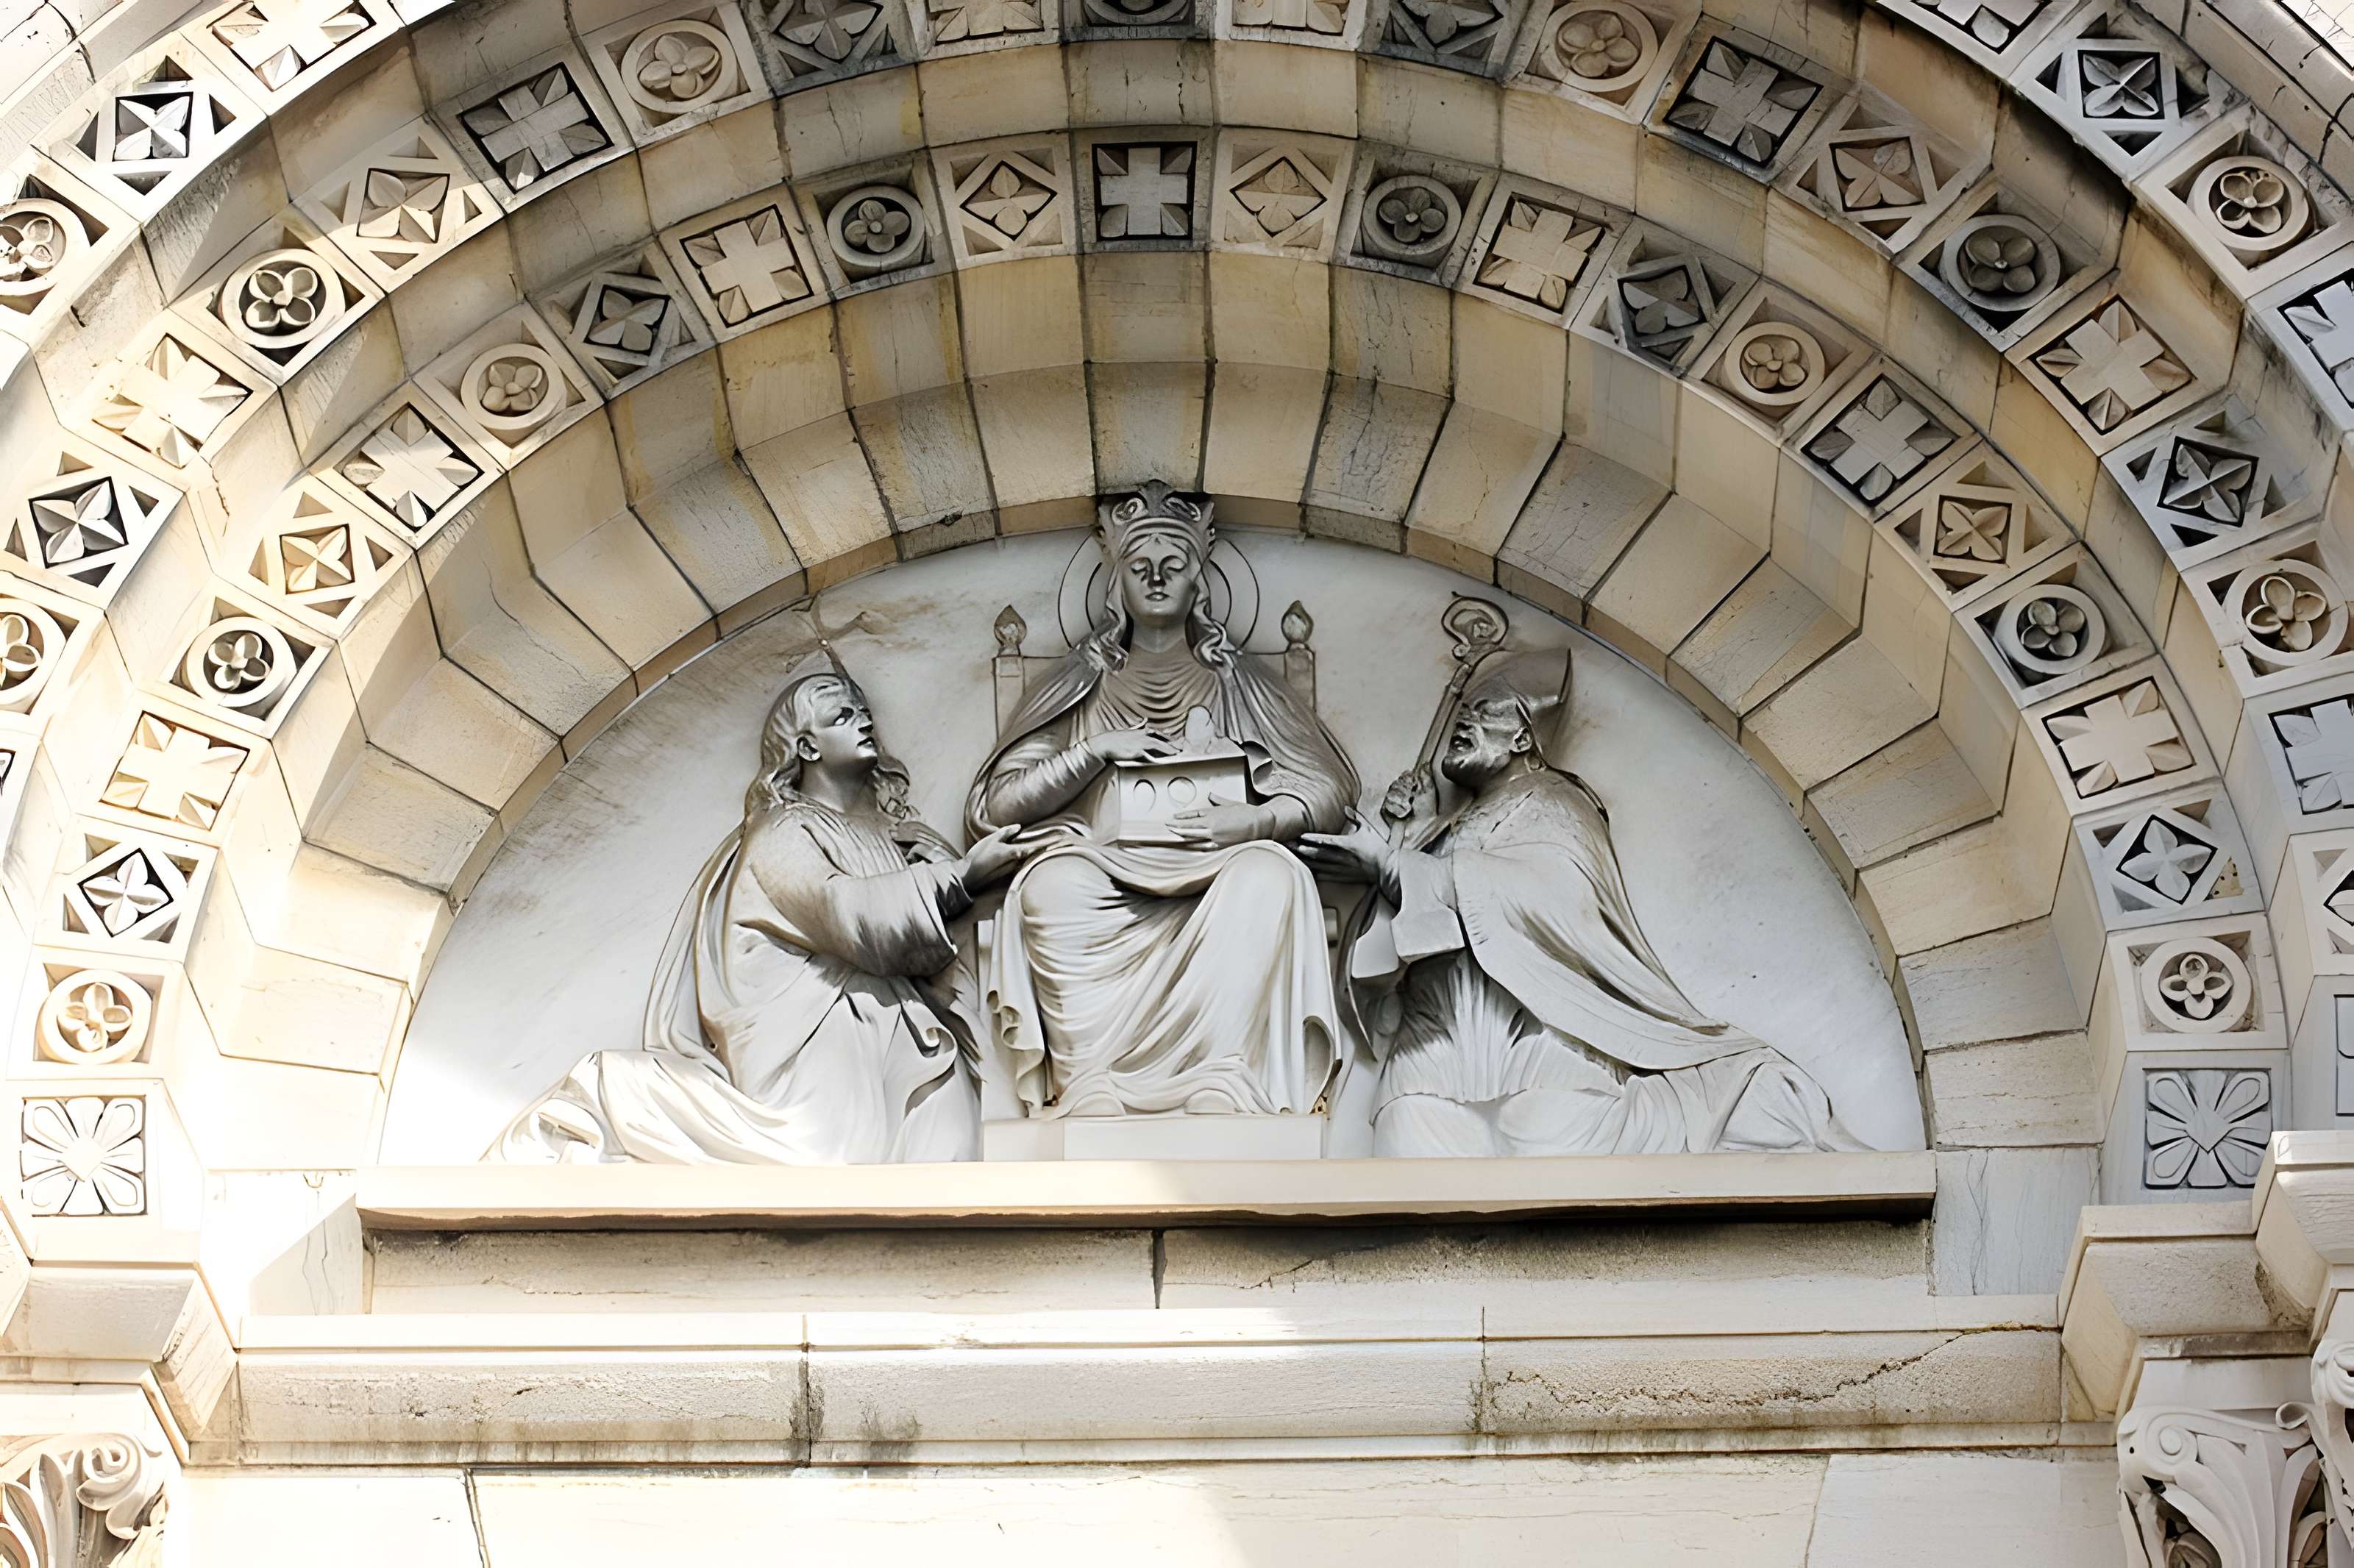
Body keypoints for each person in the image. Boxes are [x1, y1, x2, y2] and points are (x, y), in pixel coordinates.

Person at [1298, 650, 1863, 1158]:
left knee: (1546, 1139)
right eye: (1464, 710)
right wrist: (1404, 842)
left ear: (1523, 740)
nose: (1464, 721)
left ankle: (1736, 1110)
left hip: (1537, 1051)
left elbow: (1554, 900)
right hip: (1433, 1055)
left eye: (1486, 710)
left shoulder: (1556, 805)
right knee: (1407, 1153)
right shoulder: (1440, 830)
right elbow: (1384, 962)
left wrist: (1400, 867)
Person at [492, 658, 1034, 1164]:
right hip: (816, 1046)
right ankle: (608, 1091)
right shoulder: (781, 832)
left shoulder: (896, 839)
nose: (864, 723)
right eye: (842, 717)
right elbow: (842, 911)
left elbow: (941, 944)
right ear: (807, 747)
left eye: (865, 713)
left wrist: (968, 876)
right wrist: (959, 876)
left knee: (948, 1154)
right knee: (817, 1156)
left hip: (905, 1041)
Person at [968, 484, 1361, 1119]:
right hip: (1105, 868)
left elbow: (1330, 791)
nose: (1155, 578)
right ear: (1115, 580)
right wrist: (1094, 752)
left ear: (1198, 580)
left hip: (1218, 869)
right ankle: (1090, 1077)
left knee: (1271, 876)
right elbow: (998, 805)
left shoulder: (1239, 681)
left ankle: (1223, 1074)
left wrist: (1257, 819)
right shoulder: (1078, 683)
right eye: (1139, 566)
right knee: (1048, 886)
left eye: (1173, 566)